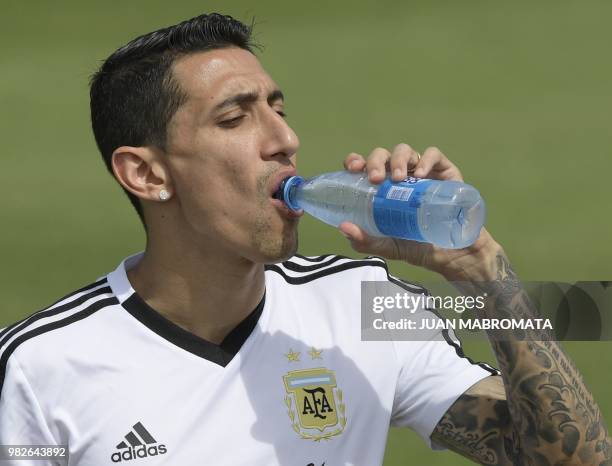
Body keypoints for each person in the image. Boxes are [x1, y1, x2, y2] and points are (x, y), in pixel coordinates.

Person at [0, 12, 609, 466]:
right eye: (235, 118)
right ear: (148, 174)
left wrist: (480, 269)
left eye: (279, 109)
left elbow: (570, 459)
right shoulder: (41, 366)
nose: (284, 140)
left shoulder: (365, 303)